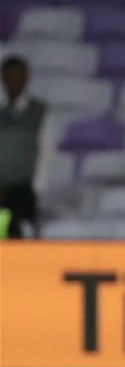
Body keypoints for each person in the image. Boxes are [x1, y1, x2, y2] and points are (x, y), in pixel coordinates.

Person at [0, 56, 52, 238]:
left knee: (21, 236)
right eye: (9, 76)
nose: (14, 81)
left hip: (24, 191)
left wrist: (35, 189)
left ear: (25, 78)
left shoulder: (40, 112)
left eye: (18, 76)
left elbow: (46, 151)